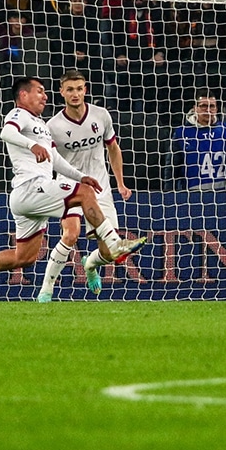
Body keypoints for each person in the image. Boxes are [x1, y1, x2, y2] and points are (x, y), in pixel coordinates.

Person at [0, 78, 145, 297]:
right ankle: (114, 243)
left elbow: (55, 160)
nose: (45, 96)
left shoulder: (42, 126)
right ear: (24, 95)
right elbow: (6, 133)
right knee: (83, 198)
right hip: (31, 186)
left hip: (29, 197)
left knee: (23, 257)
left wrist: (82, 177)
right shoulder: (18, 115)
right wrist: (30, 144)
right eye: (40, 92)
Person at [41, 71, 140, 302]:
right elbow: (49, 160)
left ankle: (90, 264)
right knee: (71, 234)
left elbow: (113, 149)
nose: (75, 94)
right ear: (61, 92)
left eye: (79, 89)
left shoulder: (101, 115)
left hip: (100, 188)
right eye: (70, 89)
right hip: (69, 187)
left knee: (109, 252)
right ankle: (46, 290)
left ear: (85, 90)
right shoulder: (52, 125)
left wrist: (120, 183)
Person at [174, 91, 226, 190]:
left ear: (216, 109)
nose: (208, 110)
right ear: (195, 108)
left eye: (212, 106)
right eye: (203, 106)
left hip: (224, 194)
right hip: (192, 195)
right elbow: (172, 167)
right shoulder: (182, 133)